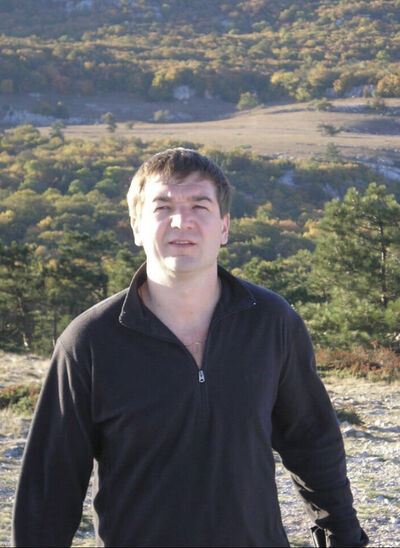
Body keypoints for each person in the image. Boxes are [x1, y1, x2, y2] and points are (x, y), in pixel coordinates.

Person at [12, 148, 368, 547]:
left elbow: (312, 443)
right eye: (162, 207)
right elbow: (49, 488)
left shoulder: (272, 322)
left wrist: (344, 536)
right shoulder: (89, 341)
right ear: (137, 227)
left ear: (224, 227)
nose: (181, 221)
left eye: (200, 206)